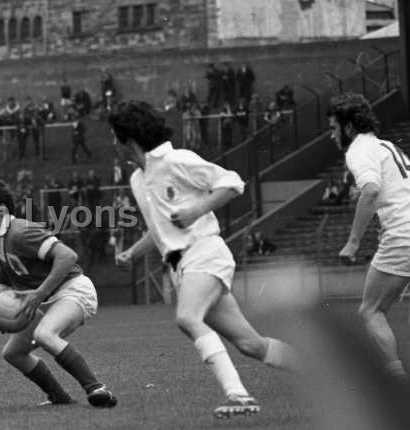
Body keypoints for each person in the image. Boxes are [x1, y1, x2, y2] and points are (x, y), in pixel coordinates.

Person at [108, 101, 299, 419]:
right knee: (251, 345)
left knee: (187, 317)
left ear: (127, 139)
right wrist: (133, 252)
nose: (113, 144)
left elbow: (232, 182)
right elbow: (158, 229)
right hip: (182, 267)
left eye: (114, 137)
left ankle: (238, 396)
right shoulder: (138, 181)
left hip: (205, 252)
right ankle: (331, 375)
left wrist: (196, 210)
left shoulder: (176, 160)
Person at [0, 180, 117, 408]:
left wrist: (39, 293)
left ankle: (97, 389)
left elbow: (68, 256)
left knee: (45, 334)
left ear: (0, 211)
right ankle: (59, 398)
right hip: (45, 299)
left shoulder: (20, 231)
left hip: (73, 289)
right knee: (13, 353)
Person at [331, 93, 410, 382]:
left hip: (403, 236)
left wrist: (353, 242)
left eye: (333, 128)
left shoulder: (358, 150)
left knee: (371, 311)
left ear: (348, 128)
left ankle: (396, 378)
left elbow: (372, 189)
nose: (332, 135)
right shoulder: (386, 146)